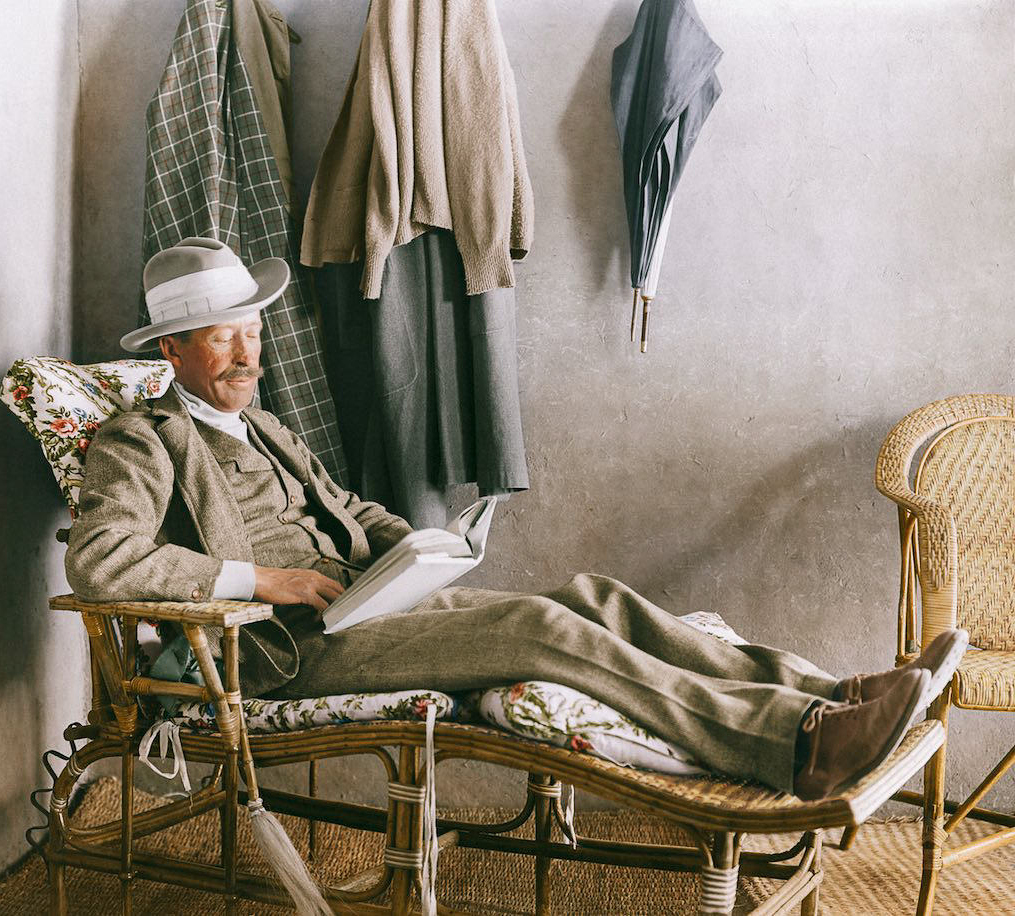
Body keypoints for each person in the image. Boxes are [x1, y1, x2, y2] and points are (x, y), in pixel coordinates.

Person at [66, 238, 967, 800]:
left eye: (252, 326)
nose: (246, 348)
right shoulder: (142, 441)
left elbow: (346, 510)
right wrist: (263, 581)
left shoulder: (260, 422)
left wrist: (412, 546)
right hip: (282, 649)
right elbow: (101, 561)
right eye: (221, 333)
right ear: (173, 349)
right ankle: (796, 746)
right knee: (539, 627)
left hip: (363, 607)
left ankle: (825, 692)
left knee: (593, 598)